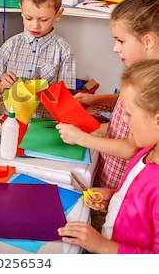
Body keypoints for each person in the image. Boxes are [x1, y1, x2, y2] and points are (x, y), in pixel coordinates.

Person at [57, 0, 159, 189]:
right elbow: (127, 101)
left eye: (120, 41)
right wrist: (96, 99)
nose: (115, 48)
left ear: (147, 40)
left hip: (120, 180)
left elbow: (130, 147)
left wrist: (81, 138)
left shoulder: (152, 83)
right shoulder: (143, 73)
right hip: (108, 174)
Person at [58, 59, 159, 254]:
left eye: (128, 114)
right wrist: (113, 196)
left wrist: (101, 246)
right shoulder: (146, 152)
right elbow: (139, 202)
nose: (122, 119)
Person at [0, 0, 76, 118]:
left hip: (44, 125)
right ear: (21, 10)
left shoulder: (64, 50)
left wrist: (41, 91)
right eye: (28, 18)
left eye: (43, 19)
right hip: (9, 122)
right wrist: (3, 84)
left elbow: (67, 96)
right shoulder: (10, 45)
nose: (35, 25)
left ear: (58, 14)